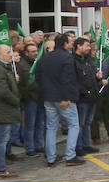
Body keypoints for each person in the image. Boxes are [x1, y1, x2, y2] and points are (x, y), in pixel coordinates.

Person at [36, 34, 85, 167]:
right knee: (74, 125)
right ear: (65, 44)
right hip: (63, 98)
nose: (72, 43)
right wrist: (66, 98)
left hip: (48, 98)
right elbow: (68, 80)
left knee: (51, 127)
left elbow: (38, 79)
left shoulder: (44, 59)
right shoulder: (67, 58)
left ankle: (51, 158)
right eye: (70, 42)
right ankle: (70, 156)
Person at [0, 44, 23, 178]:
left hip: (4, 109)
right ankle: (0, 169)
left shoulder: (2, 67)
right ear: (0, 54)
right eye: (8, 52)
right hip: (2, 109)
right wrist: (15, 100)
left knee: (3, 139)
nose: (11, 55)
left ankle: (2, 167)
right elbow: (2, 90)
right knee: (1, 140)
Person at [73, 38, 102, 155]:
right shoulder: (73, 61)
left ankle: (86, 144)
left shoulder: (89, 59)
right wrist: (84, 92)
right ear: (79, 46)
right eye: (86, 46)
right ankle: (78, 146)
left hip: (92, 96)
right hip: (82, 97)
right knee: (80, 123)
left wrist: (97, 77)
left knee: (87, 123)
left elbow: (91, 76)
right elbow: (75, 80)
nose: (89, 48)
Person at [17, 41, 43, 155]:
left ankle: (39, 145)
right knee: (30, 124)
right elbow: (22, 84)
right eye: (32, 51)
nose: (35, 53)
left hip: (39, 97)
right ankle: (30, 148)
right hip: (29, 99)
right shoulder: (22, 65)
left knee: (39, 124)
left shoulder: (38, 62)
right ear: (26, 53)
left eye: (36, 51)